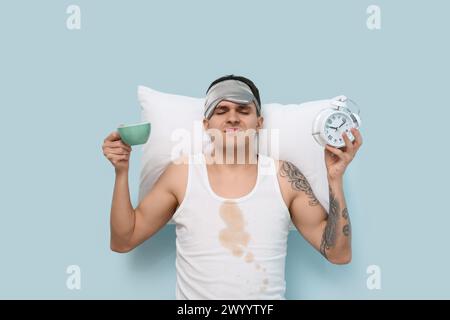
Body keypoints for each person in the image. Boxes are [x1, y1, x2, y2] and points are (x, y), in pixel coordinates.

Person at [101, 74, 363, 299]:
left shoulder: (284, 176)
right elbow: (124, 240)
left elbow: (338, 254)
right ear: (206, 125)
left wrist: (334, 179)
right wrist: (121, 171)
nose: (233, 118)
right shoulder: (181, 174)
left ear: (259, 123)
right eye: (221, 110)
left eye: (243, 110)